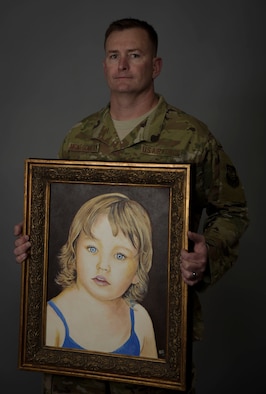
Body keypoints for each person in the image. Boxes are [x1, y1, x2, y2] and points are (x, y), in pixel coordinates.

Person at [13, 17, 249, 394]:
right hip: (73, 368)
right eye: (113, 55)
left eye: (134, 55)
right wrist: (34, 241)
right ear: (104, 64)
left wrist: (208, 251)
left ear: (155, 66)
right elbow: (59, 215)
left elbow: (233, 211)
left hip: (154, 356)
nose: (122, 65)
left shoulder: (192, 137)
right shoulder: (76, 138)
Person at [46, 192, 158, 358]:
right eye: (92, 249)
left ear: (138, 271)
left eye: (120, 255)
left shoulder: (140, 321)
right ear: (74, 252)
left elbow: (153, 381)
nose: (103, 266)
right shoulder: (52, 320)